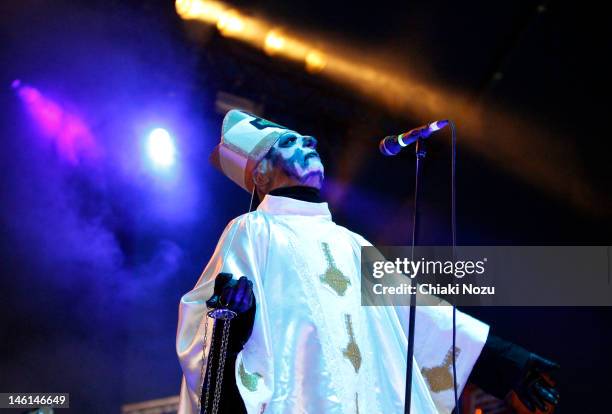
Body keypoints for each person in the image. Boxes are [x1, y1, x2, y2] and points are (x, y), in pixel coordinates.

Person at [176, 110, 559, 414]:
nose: (309, 140)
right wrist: (229, 325)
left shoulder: (350, 243)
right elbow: (209, 329)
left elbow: (419, 314)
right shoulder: (254, 229)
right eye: (289, 142)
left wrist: (509, 365)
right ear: (260, 173)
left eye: (304, 137)